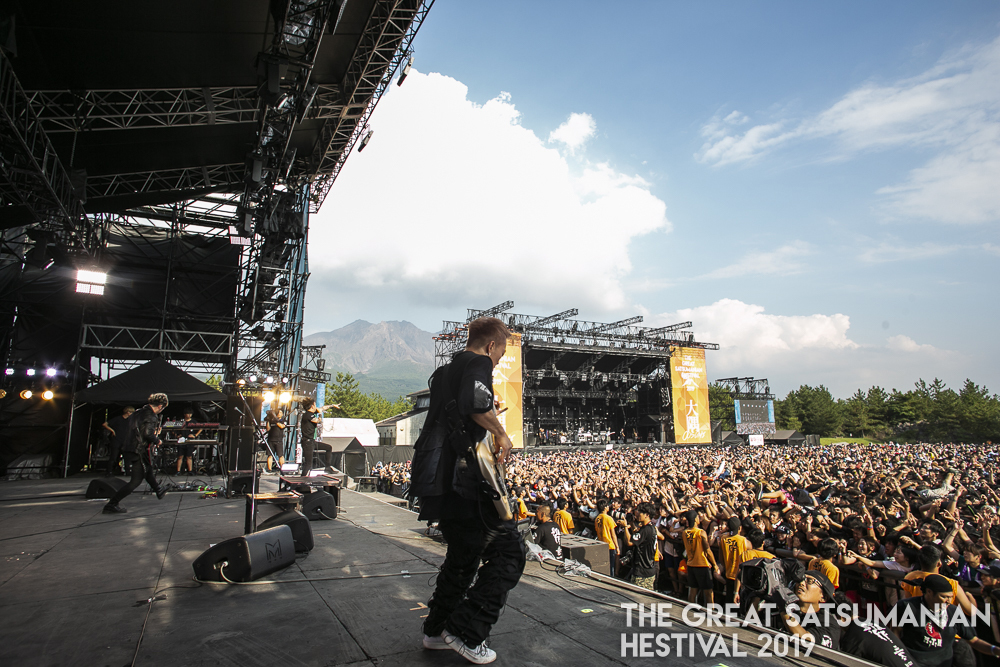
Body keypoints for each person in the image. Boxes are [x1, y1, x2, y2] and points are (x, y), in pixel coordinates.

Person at [410, 317, 525, 664]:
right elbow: (476, 403)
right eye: (501, 354)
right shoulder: (478, 362)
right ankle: (466, 632)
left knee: (462, 558)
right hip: (463, 482)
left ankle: (436, 630)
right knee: (509, 552)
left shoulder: (447, 370)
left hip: (437, 481)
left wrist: (488, 413)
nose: (500, 360)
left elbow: (465, 408)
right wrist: (501, 432)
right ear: (491, 346)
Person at [892, 574, 1000, 667]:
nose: (948, 601)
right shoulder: (906, 606)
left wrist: (994, 650)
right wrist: (899, 657)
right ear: (929, 592)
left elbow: (974, 641)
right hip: (913, 662)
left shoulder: (953, 612)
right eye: (944, 597)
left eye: (950, 597)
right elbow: (894, 633)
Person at [104, 393, 170, 513]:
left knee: (148, 470)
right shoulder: (151, 416)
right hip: (138, 450)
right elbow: (147, 434)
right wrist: (157, 440)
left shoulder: (138, 412)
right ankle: (111, 504)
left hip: (130, 447)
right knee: (136, 480)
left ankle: (158, 489)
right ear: (160, 406)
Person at [682, 508, 720, 605]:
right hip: (702, 565)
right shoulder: (701, 532)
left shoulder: (684, 532)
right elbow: (707, 550)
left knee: (693, 590)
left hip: (691, 564)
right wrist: (715, 564)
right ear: (695, 519)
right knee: (708, 592)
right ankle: (710, 612)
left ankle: (690, 611)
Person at [623, 502, 658, 590]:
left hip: (643, 571)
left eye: (640, 512)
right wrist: (631, 524)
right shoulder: (650, 527)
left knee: (640, 598)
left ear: (646, 515)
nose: (637, 514)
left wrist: (625, 527)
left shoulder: (646, 530)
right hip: (645, 569)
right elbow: (638, 537)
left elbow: (630, 542)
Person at [299, 398, 332, 475]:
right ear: (312, 406)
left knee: (328, 447)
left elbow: (322, 408)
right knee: (308, 464)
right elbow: (317, 421)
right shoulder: (307, 415)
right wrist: (320, 416)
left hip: (312, 441)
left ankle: (328, 467)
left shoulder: (312, 413)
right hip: (307, 442)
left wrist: (332, 405)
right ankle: (301, 481)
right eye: (315, 405)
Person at [721, 517, 750, 603]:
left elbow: (721, 557)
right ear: (740, 528)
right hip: (741, 576)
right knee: (740, 601)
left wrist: (726, 566)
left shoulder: (723, 538)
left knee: (729, 599)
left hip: (729, 573)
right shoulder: (744, 541)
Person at [102, 406, 134, 476]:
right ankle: (109, 471)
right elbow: (105, 424)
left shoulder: (130, 421)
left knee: (127, 457)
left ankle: (127, 471)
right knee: (113, 456)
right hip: (116, 440)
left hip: (125, 440)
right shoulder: (118, 419)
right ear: (128, 412)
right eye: (131, 412)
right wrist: (112, 431)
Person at [594, 499, 620, 577]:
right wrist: (617, 547)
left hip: (601, 543)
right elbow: (613, 534)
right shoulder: (608, 518)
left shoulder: (597, 518)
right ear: (605, 507)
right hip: (610, 545)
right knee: (610, 566)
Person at [175, 407, 202, 475]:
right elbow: (173, 429)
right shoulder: (181, 421)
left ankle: (190, 471)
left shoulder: (193, 422)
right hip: (181, 440)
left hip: (190, 440)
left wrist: (195, 435)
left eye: (190, 414)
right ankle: (178, 471)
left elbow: (201, 428)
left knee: (189, 456)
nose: (189, 415)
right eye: (188, 414)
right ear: (185, 414)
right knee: (180, 456)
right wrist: (176, 435)